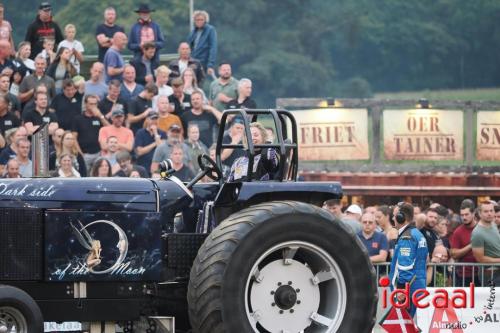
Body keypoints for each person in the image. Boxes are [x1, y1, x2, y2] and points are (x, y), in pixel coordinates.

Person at [389, 202, 428, 317]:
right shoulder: (417, 234)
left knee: (403, 326)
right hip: (414, 288)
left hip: (407, 291)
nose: (392, 218)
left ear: (401, 218)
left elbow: (405, 266)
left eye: (395, 215)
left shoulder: (407, 237)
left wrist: (401, 289)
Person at [72, 94, 109, 170]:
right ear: (85, 104)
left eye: (95, 104)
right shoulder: (78, 119)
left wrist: (100, 116)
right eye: (91, 104)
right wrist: (80, 154)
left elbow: (110, 129)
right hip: (85, 154)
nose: (93, 106)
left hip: (99, 153)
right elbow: (74, 138)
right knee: (86, 177)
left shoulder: (100, 117)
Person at [471, 201, 500, 284]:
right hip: (490, 273)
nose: (489, 213)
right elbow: (480, 259)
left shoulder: (493, 224)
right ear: (479, 214)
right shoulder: (477, 233)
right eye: (486, 211)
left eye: (491, 211)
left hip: (497, 271)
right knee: (493, 297)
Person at [187, 10, 217, 77]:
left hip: (203, 62)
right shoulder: (193, 32)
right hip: (192, 62)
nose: (199, 21)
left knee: (200, 82)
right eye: (197, 20)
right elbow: (189, 47)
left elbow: (213, 47)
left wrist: (210, 65)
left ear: (205, 20)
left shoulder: (210, 30)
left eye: (201, 19)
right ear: (194, 21)